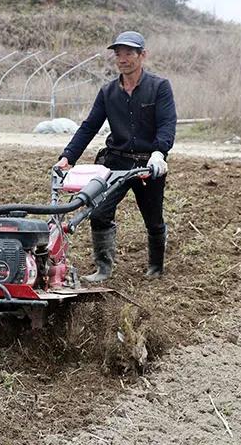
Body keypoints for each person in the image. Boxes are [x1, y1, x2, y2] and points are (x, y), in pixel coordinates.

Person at [55, 31, 177, 281]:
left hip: (147, 162)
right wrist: (68, 156)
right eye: (118, 54)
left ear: (142, 55)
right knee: (99, 211)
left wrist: (159, 153)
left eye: (129, 53)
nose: (123, 59)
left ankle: (156, 267)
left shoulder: (159, 87)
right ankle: (103, 268)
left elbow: (167, 124)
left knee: (153, 217)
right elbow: (89, 126)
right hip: (115, 161)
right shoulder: (108, 92)